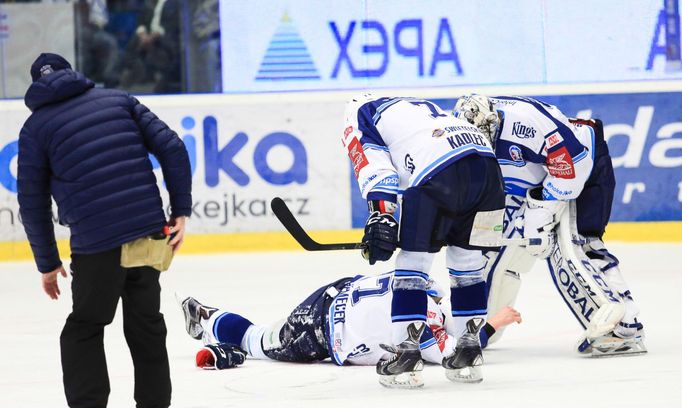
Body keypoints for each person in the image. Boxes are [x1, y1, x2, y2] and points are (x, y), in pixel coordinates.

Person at [17, 53, 192, 408]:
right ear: (72, 73)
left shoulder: (35, 128)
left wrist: (47, 262)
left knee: (85, 325)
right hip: (148, 231)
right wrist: (180, 210)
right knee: (145, 319)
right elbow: (174, 148)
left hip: (96, 243)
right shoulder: (119, 100)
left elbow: (31, 202)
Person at [453, 94, 645, 356]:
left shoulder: (525, 126)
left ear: (493, 121)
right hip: (538, 181)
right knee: (497, 254)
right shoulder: (459, 131)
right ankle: (486, 324)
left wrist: (541, 210)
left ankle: (621, 325)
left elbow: (573, 168)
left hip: (583, 166)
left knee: (574, 245)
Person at [342, 95, 506, 387]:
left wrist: (381, 214)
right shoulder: (412, 107)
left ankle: (405, 355)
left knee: (413, 264)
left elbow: (374, 165)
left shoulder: (360, 111)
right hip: (489, 170)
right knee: (468, 262)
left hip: (438, 170)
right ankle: (469, 351)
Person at [177, 273, 522, 372]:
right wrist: (491, 325)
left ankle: (212, 318)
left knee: (266, 333)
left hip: (331, 294)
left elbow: (444, 323)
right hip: (321, 333)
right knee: (256, 341)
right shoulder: (424, 324)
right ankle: (206, 317)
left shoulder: (415, 281)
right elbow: (450, 355)